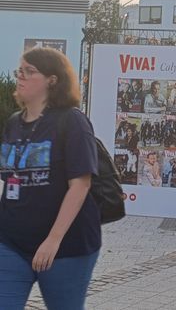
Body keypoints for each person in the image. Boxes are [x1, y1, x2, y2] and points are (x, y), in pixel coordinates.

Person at [0, 47, 100, 309]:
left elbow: (80, 185)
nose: (20, 77)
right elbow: (12, 180)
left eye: (29, 71)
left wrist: (53, 240)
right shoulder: (13, 123)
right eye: (19, 71)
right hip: (12, 244)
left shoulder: (72, 121)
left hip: (66, 247)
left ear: (52, 80)